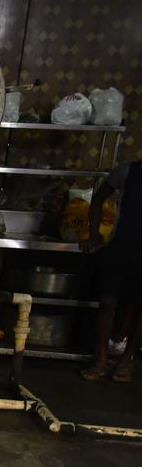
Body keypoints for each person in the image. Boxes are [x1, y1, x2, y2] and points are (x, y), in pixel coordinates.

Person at [81, 159, 142, 381]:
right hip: (120, 247)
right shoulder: (126, 171)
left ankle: (126, 361)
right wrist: (94, 233)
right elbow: (98, 199)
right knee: (107, 302)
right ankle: (101, 360)